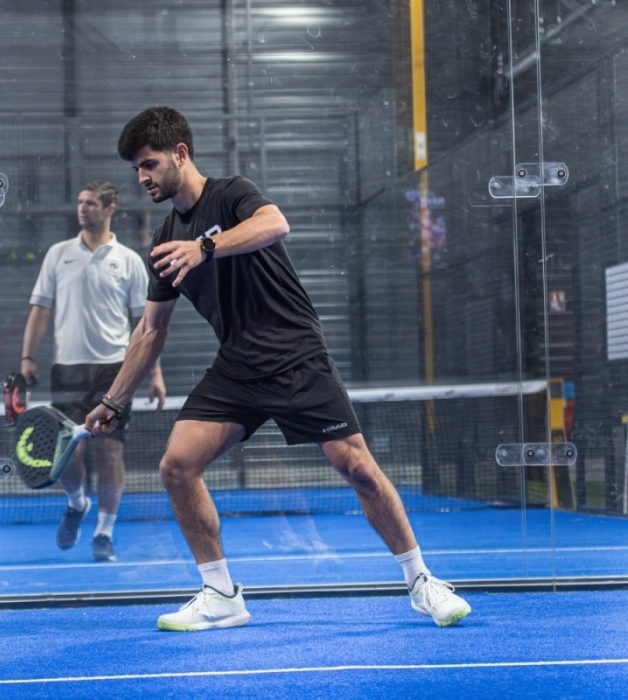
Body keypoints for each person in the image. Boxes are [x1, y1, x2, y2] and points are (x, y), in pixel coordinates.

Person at [85, 107, 471, 630]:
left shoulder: (232, 194)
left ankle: (423, 583)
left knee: (356, 466)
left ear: (180, 154)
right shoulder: (161, 242)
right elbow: (150, 330)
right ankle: (220, 594)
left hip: (295, 353)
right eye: (136, 169)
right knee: (176, 466)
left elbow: (275, 223)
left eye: (149, 164)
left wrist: (205, 247)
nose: (142, 178)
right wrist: (114, 400)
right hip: (237, 367)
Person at [21, 180, 166, 563]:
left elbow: (146, 324)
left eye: (90, 203)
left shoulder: (130, 261)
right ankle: (76, 502)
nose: (82, 209)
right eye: (80, 203)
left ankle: (104, 533)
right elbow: (40, 309)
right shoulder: (58, 255)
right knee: (69, 454)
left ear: (109, 209)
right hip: (67, 371)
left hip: (114, 372)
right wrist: (27, 358)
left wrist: (152, 373)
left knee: (110, 453)